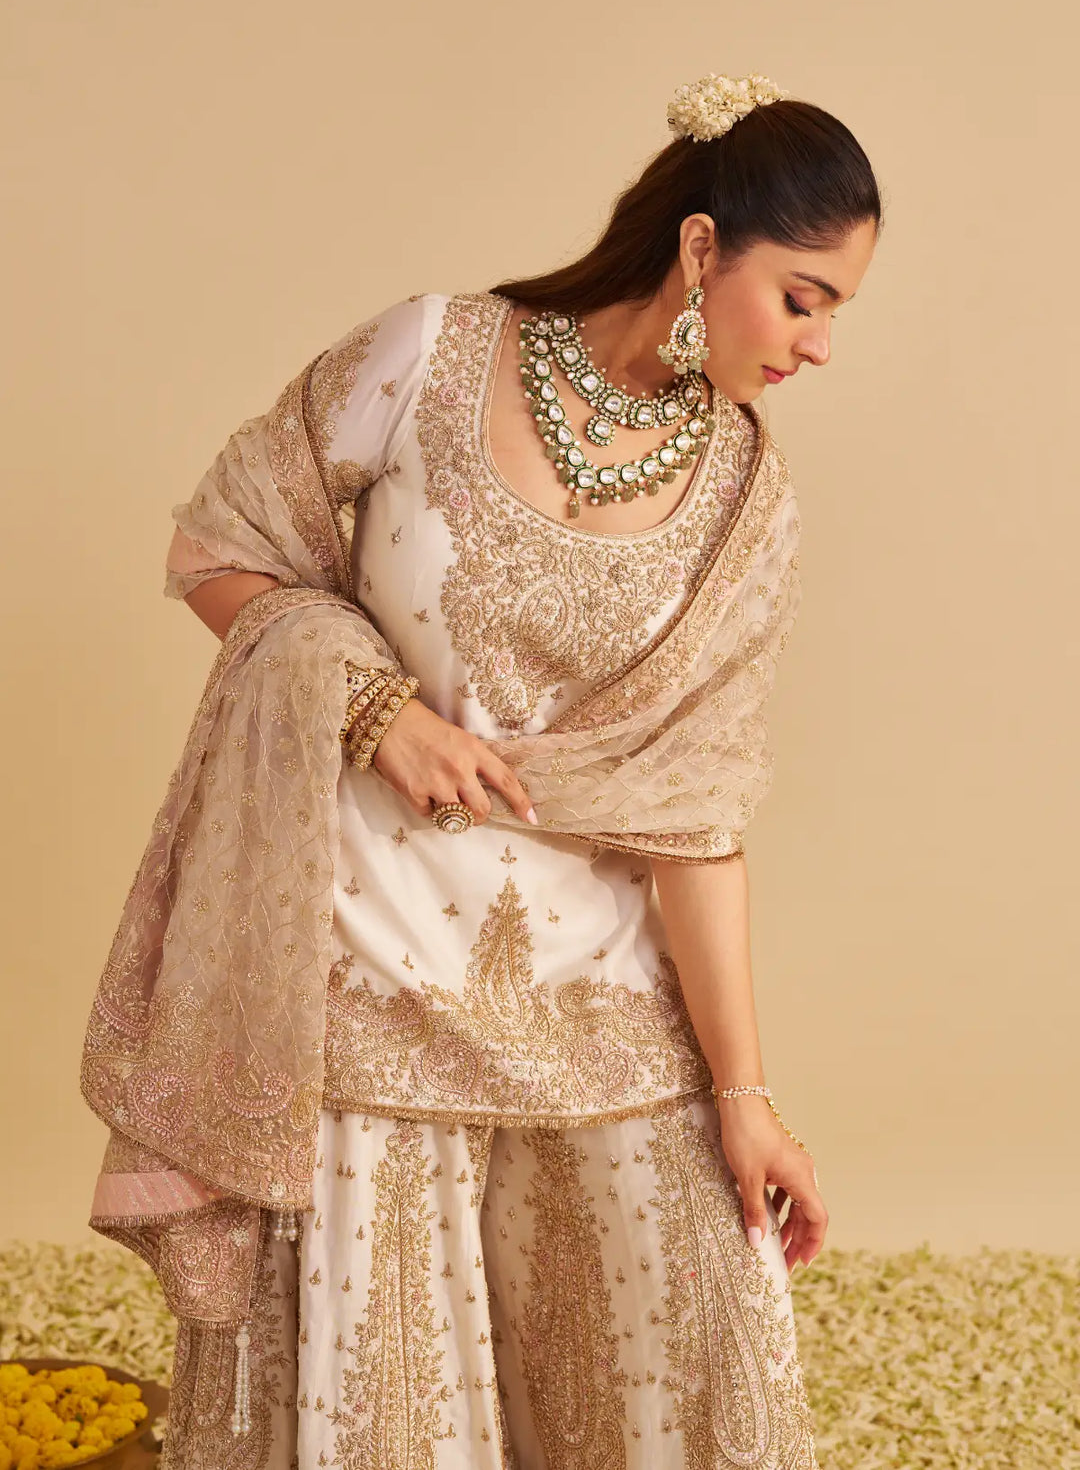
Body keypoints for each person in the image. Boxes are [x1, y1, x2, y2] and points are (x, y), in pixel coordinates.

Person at [81, 71, 882, 1469]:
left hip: (594, 991)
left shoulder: (751, 509)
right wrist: (368, 703)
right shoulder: (435, 355)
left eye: (839, 314)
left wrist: (749, 1101)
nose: (820, 345)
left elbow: (696, 826)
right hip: (361, 969)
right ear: (702, 249)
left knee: (678, 1358)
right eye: (804, 297)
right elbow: (218, 549)